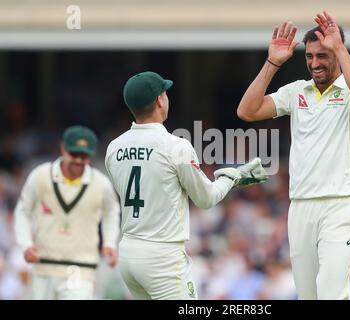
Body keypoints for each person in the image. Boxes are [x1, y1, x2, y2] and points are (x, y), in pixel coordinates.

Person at [237, 12, 350, 299]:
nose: (315, 63)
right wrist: (273, 62)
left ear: (338, 54)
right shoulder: (296, 92)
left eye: (323, 56)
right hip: (300, 207)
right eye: (310, 56)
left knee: (330, 294)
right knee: (308, 296)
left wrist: (339, 47)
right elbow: (247, 111)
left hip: (339, 206)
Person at [105, 71, 267, 300]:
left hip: (129, 253)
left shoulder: (114, 147)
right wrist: (233, 176)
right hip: (162, 256)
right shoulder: (175, 146)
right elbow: (207, 199)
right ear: (160, 100)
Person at [14, 125, 120, 299]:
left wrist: (109, 242)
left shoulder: (101, 183)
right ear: (63, 148)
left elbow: (112, 212)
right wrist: (25, 244)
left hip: (80, 269)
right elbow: (22, 210)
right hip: (43, 266)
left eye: (84, 156)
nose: (78, 160)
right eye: (74, 154)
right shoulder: (40, 175)